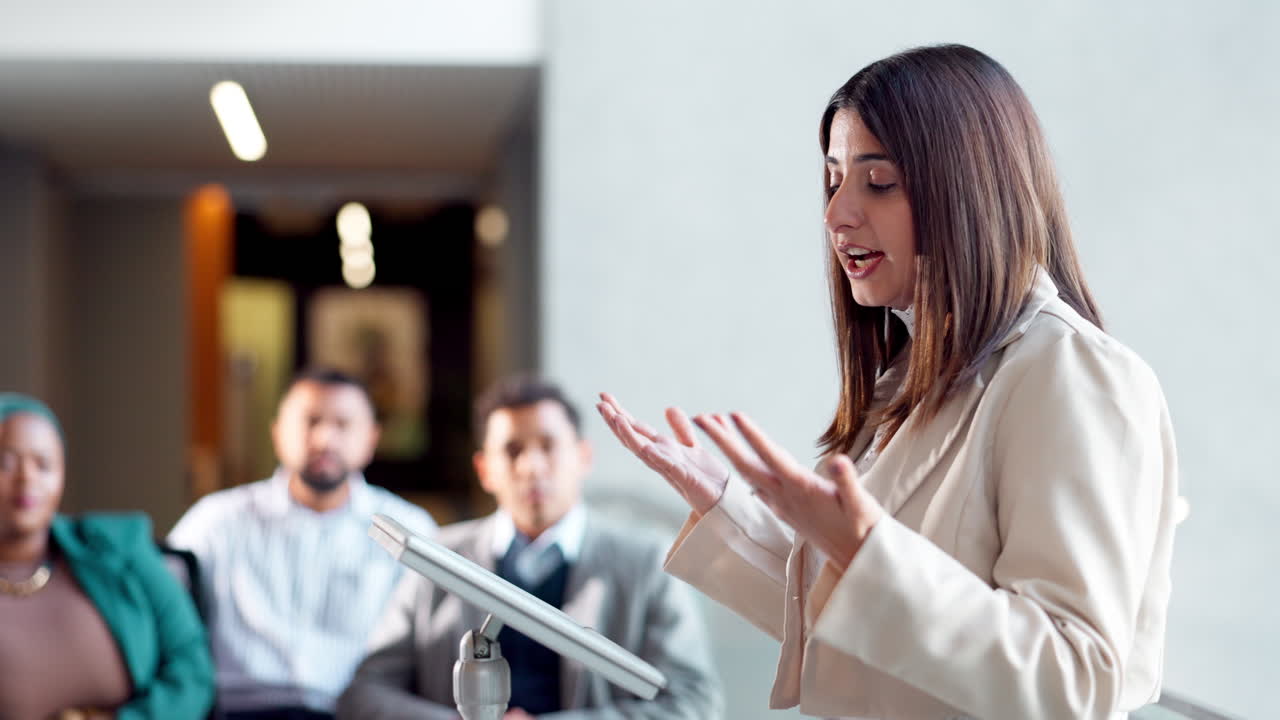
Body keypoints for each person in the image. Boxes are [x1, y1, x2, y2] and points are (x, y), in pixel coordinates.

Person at [597, 44, 1179, 720]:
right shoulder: (915, 377)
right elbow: (861, 628)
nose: (836, 214)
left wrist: (867, 552)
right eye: (834, 178)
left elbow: (1076, 678)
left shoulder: (1070, 374)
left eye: (878, 182)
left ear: (969, 188)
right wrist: (730, 507)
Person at [337, 376, 722, 720]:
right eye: (512, 450)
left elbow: (694, 703)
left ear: (583, 456)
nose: (532, 466)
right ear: (484, 469)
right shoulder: (438, 559)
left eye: (548, 446)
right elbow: (365, 695)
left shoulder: (645, 562)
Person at [168, 368, 438, 719]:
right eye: (310, 421)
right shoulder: (216, 522)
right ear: (278, 433)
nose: (325, 439)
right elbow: (160, 610)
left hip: (356, 713)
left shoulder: (410, 531)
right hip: (238, 711)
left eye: (343, 424)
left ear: (371, 438)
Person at [0, 393, 214, 720]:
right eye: (5, 463)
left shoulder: (118, 547)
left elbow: (191, 665)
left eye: (43, 464)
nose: (27, 479)